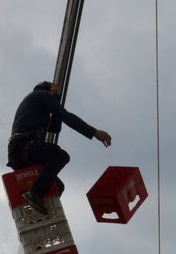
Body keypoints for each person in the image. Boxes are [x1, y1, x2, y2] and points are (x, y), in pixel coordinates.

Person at [7, 81, 112, 214]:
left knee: (58, 187)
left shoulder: (35, 108)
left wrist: (55, 102)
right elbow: (66, 116)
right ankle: (34, 193)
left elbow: (55, 129)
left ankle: (40, 211)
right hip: (24, 146)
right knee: (60, 155)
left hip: (20, 153)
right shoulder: (40, 95)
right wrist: (94, 132)